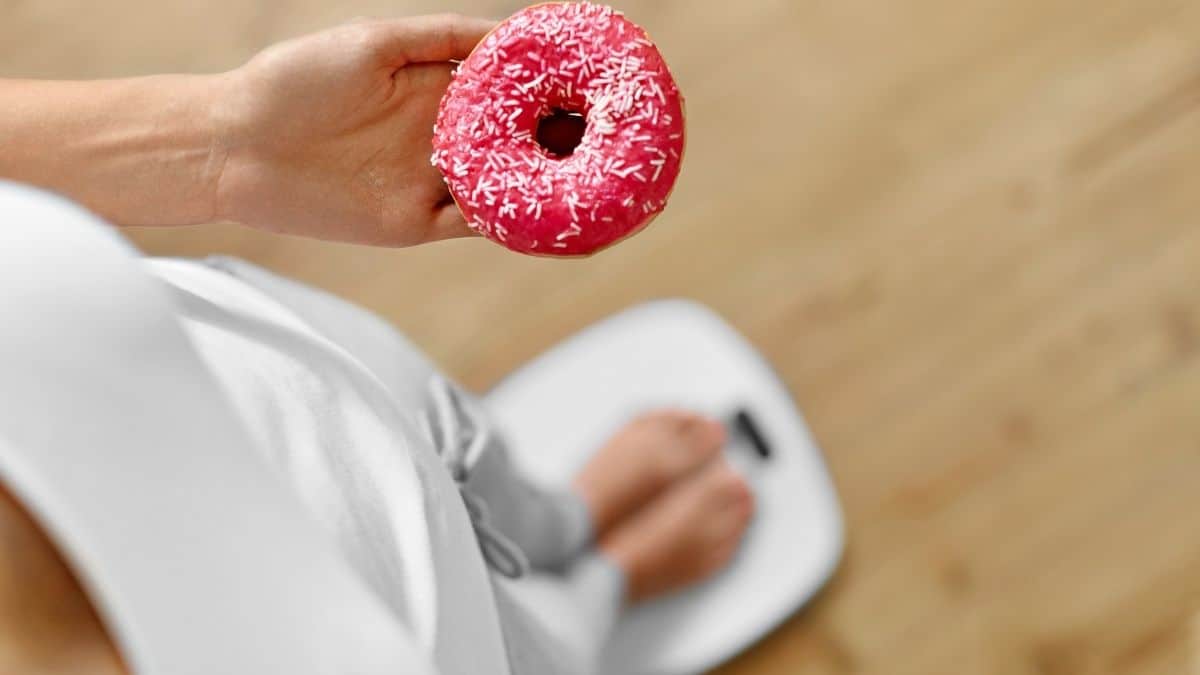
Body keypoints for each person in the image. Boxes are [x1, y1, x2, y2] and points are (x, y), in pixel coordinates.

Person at [0, 15, 754, 675]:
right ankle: (610, 581)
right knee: (538, 650)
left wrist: (225, 139)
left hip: (287, 366)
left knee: (463, 444)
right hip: (415, 638)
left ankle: (567, 519)